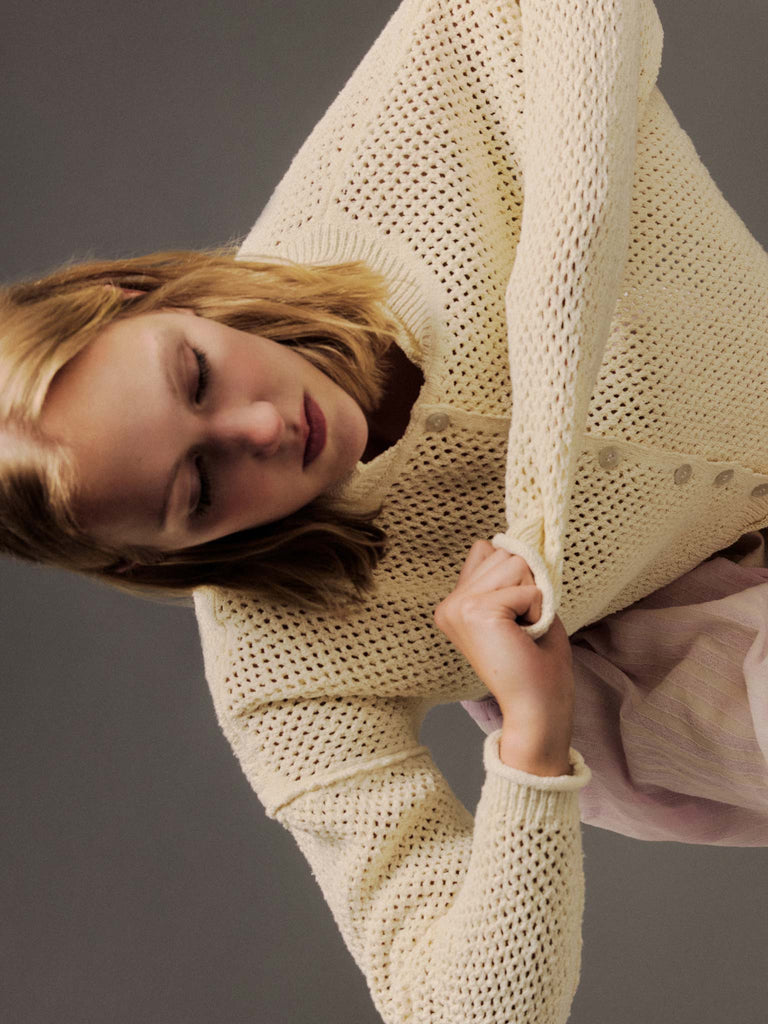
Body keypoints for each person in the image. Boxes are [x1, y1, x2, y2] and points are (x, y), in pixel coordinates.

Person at [2, 0, 768, 1019]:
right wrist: (532, 734)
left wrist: (554, 309)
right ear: (151, 560)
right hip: (719, 665)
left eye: (197, 375)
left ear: (149, 294)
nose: (262, 428)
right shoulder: (282, 671)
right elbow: (469, 1011)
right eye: (199, 487)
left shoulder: (383, 169)